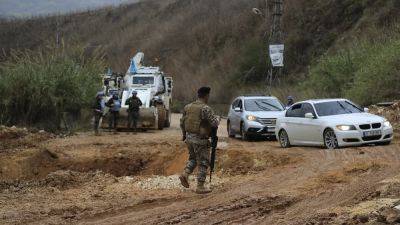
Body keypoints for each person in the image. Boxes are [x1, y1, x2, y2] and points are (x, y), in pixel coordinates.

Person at [179, 87, 220, 194]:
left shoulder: (188, 107)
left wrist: (184, 135)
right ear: (206, 96)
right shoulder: (205, 108)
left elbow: (182, 122)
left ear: (198, 95)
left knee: (193, 158)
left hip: (189, 138)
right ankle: (200, 186)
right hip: (200, 139)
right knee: (203, 162)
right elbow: (214, 123)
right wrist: (218, 119)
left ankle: (185, 174)